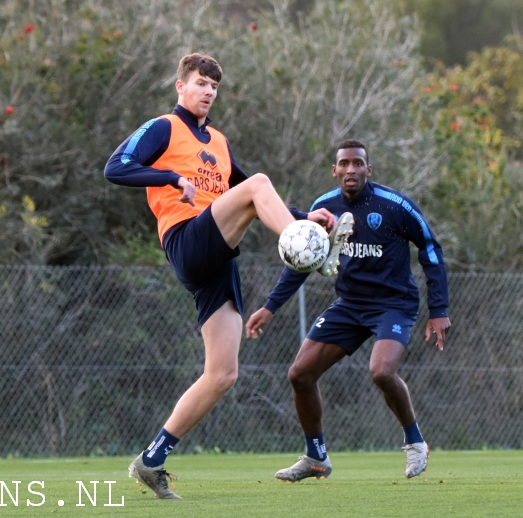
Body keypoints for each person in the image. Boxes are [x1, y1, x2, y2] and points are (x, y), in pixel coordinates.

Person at [104, 53, 351, 499]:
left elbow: (250, 197)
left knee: (223, 373)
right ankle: (310, 247)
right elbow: (115, 167)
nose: (208, 92)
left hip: (217, 260)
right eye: (200, 83)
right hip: (186, 241)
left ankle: (151, 460)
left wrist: (303, 214)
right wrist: (170, 177)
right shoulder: (164, 127)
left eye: (214, 86)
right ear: (180, 85)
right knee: (258, 182)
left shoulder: (217, 140)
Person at [246, 139, 451, 481]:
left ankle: (415, 442)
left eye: (358, 163)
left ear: (369, 170)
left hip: (393, 305)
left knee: (382, 372)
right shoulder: (324, 208)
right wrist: (270, 307)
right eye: (344, 164)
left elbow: (431, 249)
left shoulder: (395, 205)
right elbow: (301, 260)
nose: (351, 170)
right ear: (335, 170)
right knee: (300, 374)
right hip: (350, 305)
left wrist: (439, 308)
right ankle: (316, 458)